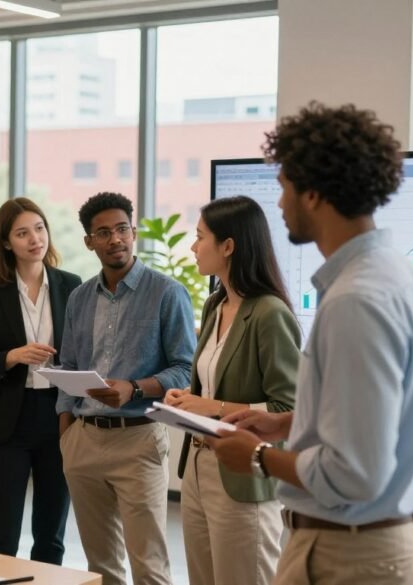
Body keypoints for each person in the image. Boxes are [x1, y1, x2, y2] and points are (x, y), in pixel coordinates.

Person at [209, 103, 413, 585]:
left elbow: (355, 472)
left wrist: (256, 457)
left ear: (313, 193)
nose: (279, 204)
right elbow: (379, 417)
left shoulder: (355, 300)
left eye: (284, 188)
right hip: (371, 541)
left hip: (349, 551)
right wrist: (288, 421)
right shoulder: (401, 276)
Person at [57, 192, 195, 585]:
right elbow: (69, 366)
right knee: (100, 567)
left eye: (121, 229)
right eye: (103, 232)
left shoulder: (167, 293)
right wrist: (67, 434)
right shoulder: (80, 297)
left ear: (133, 232)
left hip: (138, 442)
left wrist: (134, 388)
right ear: (89, 242)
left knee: (148, 565)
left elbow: (186, 370)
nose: (115, 239)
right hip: (83, 441)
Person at [163, 195, 299, 585]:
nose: (193, 246)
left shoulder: (271, 313)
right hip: (200, 467)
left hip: (244, 476)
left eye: (199, 237)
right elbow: (206, 385)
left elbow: (286, 406)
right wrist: (185, 402)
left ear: (228, 246)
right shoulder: (213, 304)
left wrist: (210, 406)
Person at [0, 197, 82, 565]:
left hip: (57, 415)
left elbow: (81, 353)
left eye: (39, 228)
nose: (35, 239)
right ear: (6, 242)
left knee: (51, 534)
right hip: (6, 422)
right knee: (2, 532)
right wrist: (13, 356)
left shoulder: (71, 286)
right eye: (22, 233)